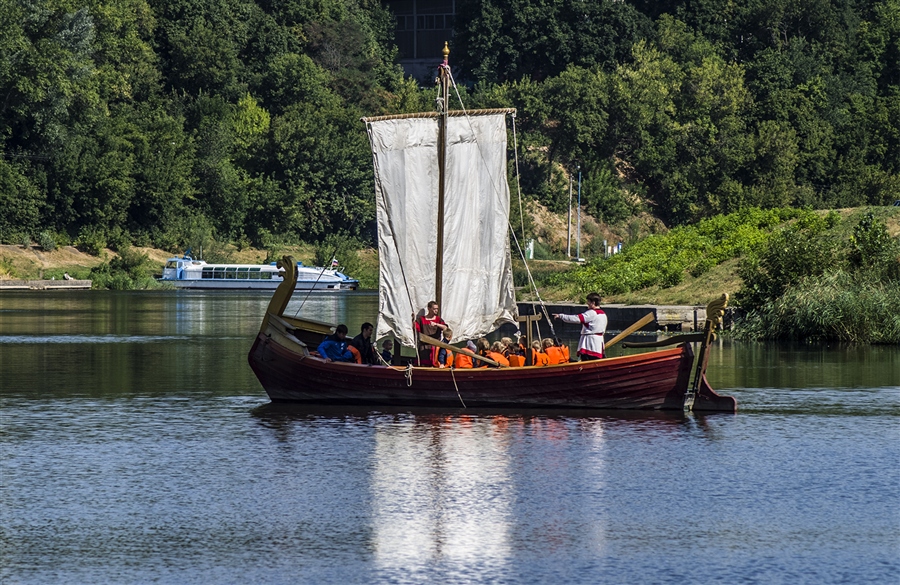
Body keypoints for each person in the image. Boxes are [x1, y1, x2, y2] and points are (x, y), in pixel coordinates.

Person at [552, 292, 607, 360]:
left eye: (588, 301)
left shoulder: (591, 313)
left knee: (588, 359)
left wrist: (561, 316)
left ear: (593, 302)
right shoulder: (603, 314)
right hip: (599, 343)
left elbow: (576, 319)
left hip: (590, 343)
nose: (587, 303)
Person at [414, 300, 448, 366]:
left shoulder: (438, 320)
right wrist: (413, 319)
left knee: (436, 364)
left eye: (437, 309)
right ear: (429, 309)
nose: (436, 310)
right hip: (424, 347)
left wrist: (436, 324)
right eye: (434, 309)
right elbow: (415, 328)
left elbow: (445, 328)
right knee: (423, 364)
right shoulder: (422, 319)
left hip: (435, 347)